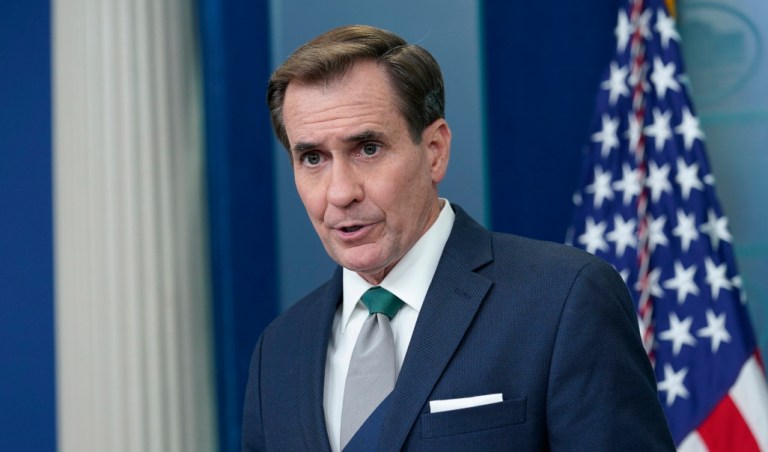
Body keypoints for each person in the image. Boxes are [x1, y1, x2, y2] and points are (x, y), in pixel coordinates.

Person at [242, 24, 675, 451]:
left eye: (368, 148)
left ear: (434, 151)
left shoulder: (563, 301)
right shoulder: (279, 352)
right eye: (313, 158)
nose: (340, 192)